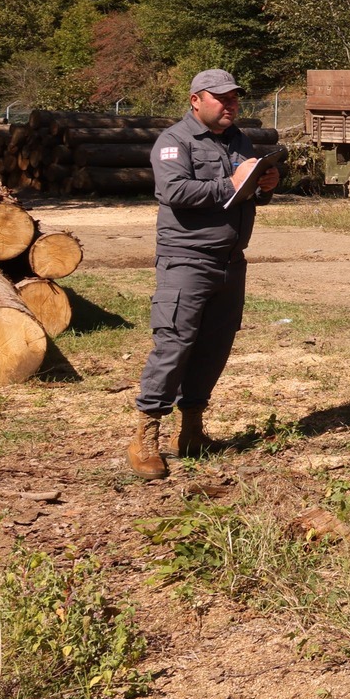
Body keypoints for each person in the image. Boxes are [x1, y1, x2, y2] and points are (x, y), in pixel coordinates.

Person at [125, 70, 281, 479]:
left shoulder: (239, 140)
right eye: (221, 98)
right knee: (174, 344)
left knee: (214, 346)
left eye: (234, 98)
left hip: (230, 262)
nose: (231, 105)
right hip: (187, 260)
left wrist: (264, 185)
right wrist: (230, 182)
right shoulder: (175, 141)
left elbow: (244, 194)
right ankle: (145, 436)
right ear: (196, 100)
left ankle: (191, 432)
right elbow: (173, 191)